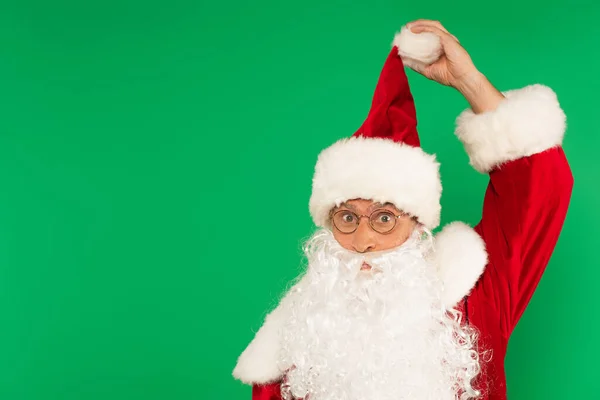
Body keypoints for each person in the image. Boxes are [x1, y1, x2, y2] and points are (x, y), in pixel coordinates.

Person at [232, 19, 573, 400]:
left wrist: (470, 81)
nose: (362, 241)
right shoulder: (294, 341)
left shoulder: (475, 296)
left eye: (383, 218)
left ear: (416, 222)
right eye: (347, 218)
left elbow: (541, 184)